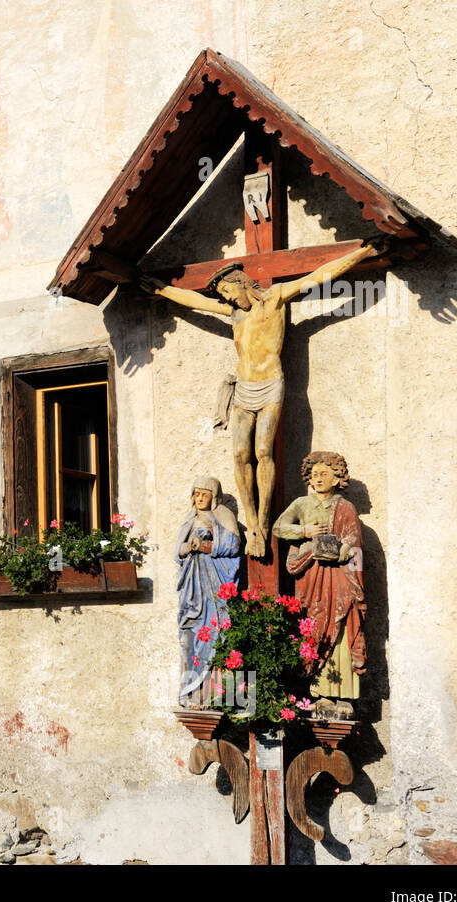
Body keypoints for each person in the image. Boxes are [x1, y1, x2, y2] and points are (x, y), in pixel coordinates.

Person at [141, 237, 390, 559]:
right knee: (239, 454)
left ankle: (263, 519)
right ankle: (252, 523)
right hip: (244, 387)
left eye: (229, 291)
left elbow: (319, 275)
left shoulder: (275, 299)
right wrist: (161, 289)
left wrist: (364, 252)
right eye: (223, 296)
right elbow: (192, 301)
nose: (227, 298)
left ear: (242, 283)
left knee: (262, 450)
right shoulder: (233, 313)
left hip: (271, 383)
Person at [271, 451, 366, 700]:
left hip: (338, 581)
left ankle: (341, 693)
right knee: (310, 626)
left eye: (325, 473)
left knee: (339, 622)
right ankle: (315, 691)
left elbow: (353, 542)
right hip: (310, 577)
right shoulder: (302, 504)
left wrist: (337, 552)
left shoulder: (345, 507)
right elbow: (279, 528)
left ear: (337, 479)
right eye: (314, 475)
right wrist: (305, 531)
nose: (319, 478)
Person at [176, 475, 241, 702]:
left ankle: (214, 690)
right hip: (192, 586)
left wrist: (205, 545)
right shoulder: (190, 518)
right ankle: (190, 688)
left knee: (215, 630)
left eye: (205, 493)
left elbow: (234, 545)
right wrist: (186, 547)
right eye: (196, 493)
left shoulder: (223, 515)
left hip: (214, 582)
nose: (200, 498)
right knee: (191, 630)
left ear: (214, 496)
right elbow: (178, 551)